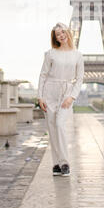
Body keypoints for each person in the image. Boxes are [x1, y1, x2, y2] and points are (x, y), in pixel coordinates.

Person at [37, 22, 84, 177]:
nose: (61, 36)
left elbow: (79, 79)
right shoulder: (50, 54)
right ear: (55, 38)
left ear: (68, 33)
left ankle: (64, 162)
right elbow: (43, 75)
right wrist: (40, 96)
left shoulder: (78, 55)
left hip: (66, 93)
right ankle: (56, 163)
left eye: (63, 32)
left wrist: (72, 97)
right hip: (49, 92)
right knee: (52, 128)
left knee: (60, 125)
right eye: (58, 34)